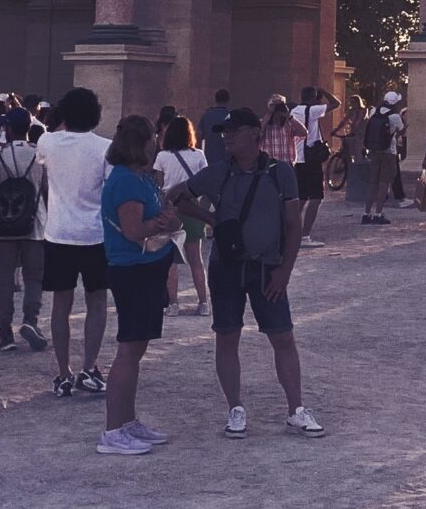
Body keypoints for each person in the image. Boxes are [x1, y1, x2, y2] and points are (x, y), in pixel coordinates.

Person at [171, 107, 323, 436]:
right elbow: (176, 197)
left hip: (268, 266)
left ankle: (296, 408)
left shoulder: (280, 172)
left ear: (255, 134)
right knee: (227, 336)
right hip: (227, 267)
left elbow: (294, 226)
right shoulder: (216, 173)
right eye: (224, 132)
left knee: (283, 336)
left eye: (234, 131)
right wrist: (212, 220)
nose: (226, 136)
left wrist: (285, 270)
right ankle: (235, 407)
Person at [95, 115, 183, 455]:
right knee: (129, 350)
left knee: (137, 349)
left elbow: (166, 215)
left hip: (147, 268)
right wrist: (159, 222)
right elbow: (133, 230)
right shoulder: (127, 182)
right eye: (152, 139)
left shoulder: (139, 177)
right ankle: (113, 430)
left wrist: (167, 219)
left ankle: (127, 422)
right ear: (141, 143)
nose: (156, 143)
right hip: (132, 269)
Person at [36, 86, 115, 400]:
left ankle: (62, 373)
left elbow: (46, 166)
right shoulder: (106, 148)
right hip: (95, 234)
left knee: (60, 306)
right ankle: (90, 367)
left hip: (58, 232)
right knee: (97, 302)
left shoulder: (47, 141)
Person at [0, 115, 46, 350]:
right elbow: (47, 189)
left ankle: (4, 330)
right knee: (34, 276)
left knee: (2, 276)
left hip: (4, 224)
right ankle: (31, 320)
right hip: (35, 222)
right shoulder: (39, 155)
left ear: (8, 129)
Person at [155, 117, 210, 316]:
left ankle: (173, 304)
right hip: (193, 208)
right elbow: (205, 181)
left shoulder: (162, 156)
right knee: (196, 259)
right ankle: (204, 302)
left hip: (171, 209)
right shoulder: (199, 155)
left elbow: (160, 187)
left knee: (171, 261)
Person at [291, 86, 332, 237]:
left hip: (298, 157)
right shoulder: (313, 111)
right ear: (313, 98)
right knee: (316, 196)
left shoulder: (293, 111)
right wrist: (324, 91)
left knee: (300, 197)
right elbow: (336, 103)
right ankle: (305, 234)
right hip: (311, 158)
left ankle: (291, 231)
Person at [361, 91, 403, 226]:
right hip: (388, 152)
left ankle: (366, 214)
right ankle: (378, 213)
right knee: (384, 183)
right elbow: (400, 130)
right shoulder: (395, 116)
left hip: (374, 150)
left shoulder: (374, 111)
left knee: (372, 183)